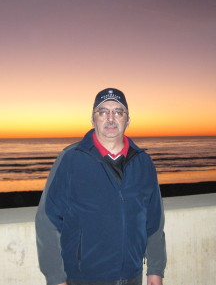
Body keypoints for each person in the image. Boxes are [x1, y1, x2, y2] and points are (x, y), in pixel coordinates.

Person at [35, 88, 167, 285]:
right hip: (85, 277)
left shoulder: (143, 162)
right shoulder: (71, 159)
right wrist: (55, 277)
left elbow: (154, 221)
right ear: (93, 119)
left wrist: (155, 269)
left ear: (127, 120)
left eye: (118, 112)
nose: (111, 118)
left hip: (132, 275)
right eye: (103, 112)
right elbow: (47, 220)